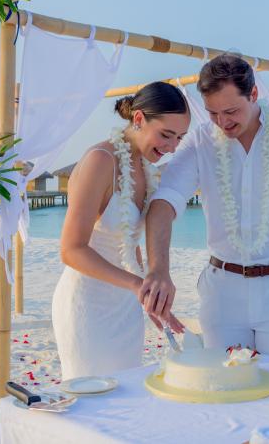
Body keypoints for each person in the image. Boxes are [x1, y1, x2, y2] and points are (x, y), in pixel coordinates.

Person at [141, 54, 269, 358]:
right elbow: (163, 202)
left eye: (231, 111)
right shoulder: (200, 141)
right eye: (212, 113)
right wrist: (159, 269)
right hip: (222, 292)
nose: (223, 122)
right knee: (223, 381)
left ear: (254, 94)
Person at [53, 81, 190, 380]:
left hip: (126, 306)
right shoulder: (100, 161)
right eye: (166, 135)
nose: (171, 147)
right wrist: (136, 284)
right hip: (88, 305)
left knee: (125, 391)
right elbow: (71, 249)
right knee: (91, 393)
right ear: (139, 119)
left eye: (179, 138)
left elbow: (128, 242)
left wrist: (149, 295)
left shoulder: (143, 165)